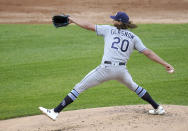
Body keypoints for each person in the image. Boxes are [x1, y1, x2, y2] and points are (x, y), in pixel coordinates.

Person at [39, 12, 174, 121]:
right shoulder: (133, 37)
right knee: (135, 87)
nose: (113, 20)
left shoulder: (109, 30)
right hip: (121, 71)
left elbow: (88, 26)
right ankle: (157, 107)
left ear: (119, 22)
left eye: (115, 19)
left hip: (106, 69)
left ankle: (55, 111)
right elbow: (148, 53)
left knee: (79, 87)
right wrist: (166, 64)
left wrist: (72, 19)